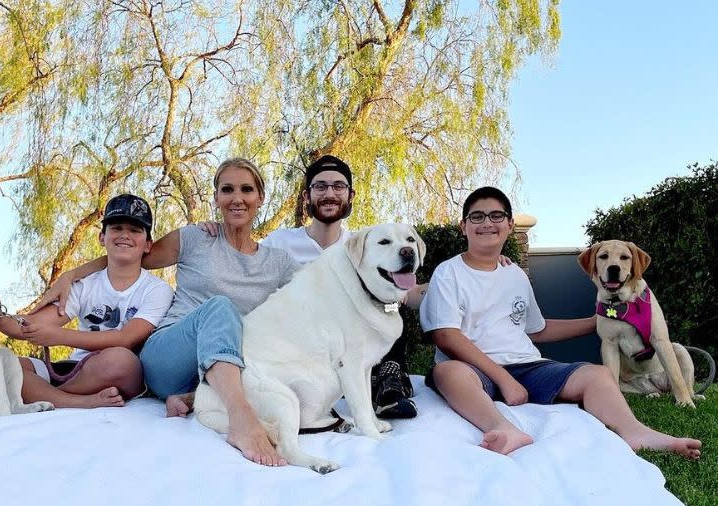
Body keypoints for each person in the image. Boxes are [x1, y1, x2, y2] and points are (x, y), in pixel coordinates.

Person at [31, 158, 300, 467]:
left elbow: (318, 293)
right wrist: (72, 275)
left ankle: (191, 399)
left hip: (223, 369)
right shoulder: (196, 238)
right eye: (227, 190)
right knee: (221, 307)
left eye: (246, 190)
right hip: (168, 357)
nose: (237, 198)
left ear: (260, 198)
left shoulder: (279, 264)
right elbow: (130, 254)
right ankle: (241, 419)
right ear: (216, 198)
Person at [420, 186, 701, 459]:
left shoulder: (514, 274)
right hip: (474, 371)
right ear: (463, 226)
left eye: (496, 216)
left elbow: (537, 330)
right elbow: (446, 337)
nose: (486, 223)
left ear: (508, 225)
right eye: (477, 216)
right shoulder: (449, 272)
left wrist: (597, 321)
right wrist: (504, 380)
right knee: (448, 372)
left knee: (598, 374)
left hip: (528, 366)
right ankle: (502, 428)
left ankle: (635, 432)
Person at [203, 154, 424, 419]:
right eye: (320, 186)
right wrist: (217, 230)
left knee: (384, 308)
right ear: (307, 196)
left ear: (350, 195)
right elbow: (244, 272)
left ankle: (389, 378)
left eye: (338, 186)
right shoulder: (281, 243)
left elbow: (405, 290)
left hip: (353, 339)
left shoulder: (367, 245)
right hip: (305, 344)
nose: (329, 193)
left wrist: (438, 288)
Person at [0, 193, 173, 409]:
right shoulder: (84, 284)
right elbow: (31, 326)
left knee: (120, 361)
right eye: (116, 228)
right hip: (74, 368)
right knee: (3, 365)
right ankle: (76, 401)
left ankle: (45, 394)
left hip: (120, 370)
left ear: (147, 245)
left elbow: (125, 339)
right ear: (102, 238)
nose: (125, 235)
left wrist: (58, 336)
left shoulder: (157, 289)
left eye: (135, 230)